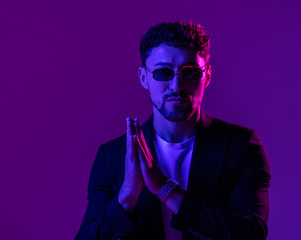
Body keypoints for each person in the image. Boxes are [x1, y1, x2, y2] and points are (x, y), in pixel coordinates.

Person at [75, 21, 271, 240]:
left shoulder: (242, 147)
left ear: (206, 76)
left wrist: (164, 188)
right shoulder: (111, 156)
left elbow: (252, 234)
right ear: (143, 77)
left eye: (190, 73)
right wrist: (126, 197)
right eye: (162, 73)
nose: (177, 86)